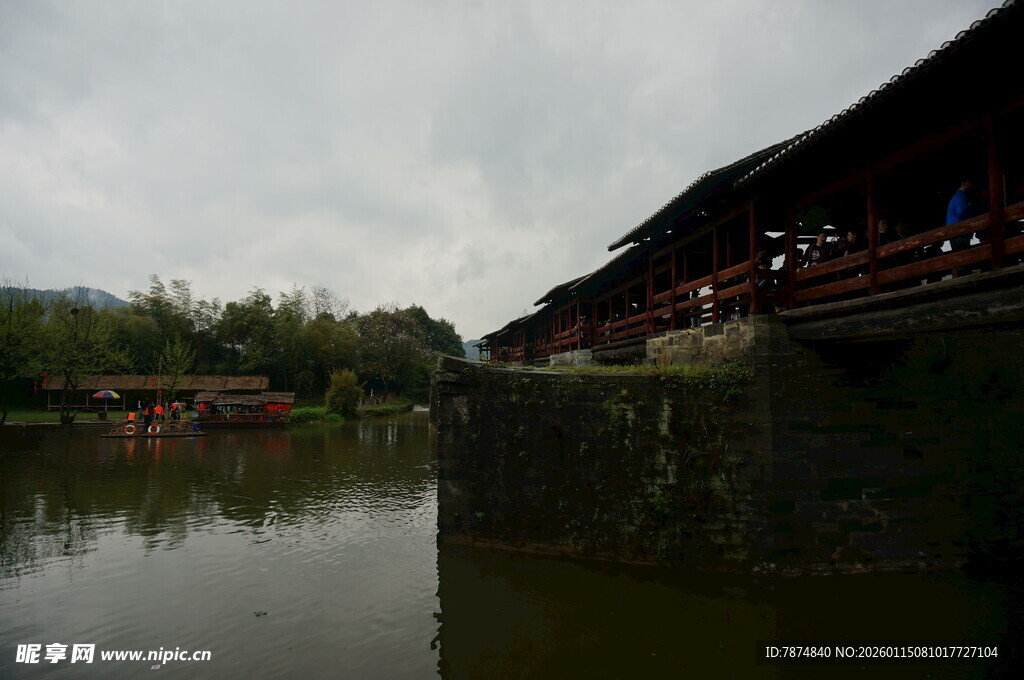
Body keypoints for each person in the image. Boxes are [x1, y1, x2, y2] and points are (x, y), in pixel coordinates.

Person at [946, 179, 974, 251]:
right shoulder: (961, 195)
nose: (972, 184)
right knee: (963, 253)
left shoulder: (958, 195)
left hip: (954, 231)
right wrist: (972, 217)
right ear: (964, 183)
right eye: (970, 182)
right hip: (959, 231)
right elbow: (961, 212)